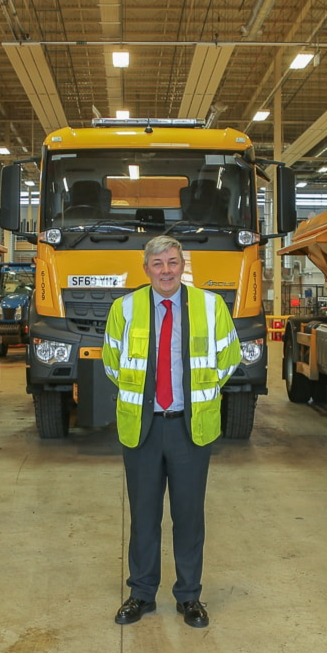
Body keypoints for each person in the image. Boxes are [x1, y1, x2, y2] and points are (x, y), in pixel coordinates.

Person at [101, 235, 242, 629]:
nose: (166, 270)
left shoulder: (210, 306)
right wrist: (143, 400)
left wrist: (200, 393)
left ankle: (189, 597)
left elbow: (229, 356)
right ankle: (142, 593)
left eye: (173, 262)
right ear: (146, 268)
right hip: (143, 428)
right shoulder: (124, 308)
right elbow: (112, 361)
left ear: (184, 266)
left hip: (189, 427)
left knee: (188, 516)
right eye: (158, 263)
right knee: (143, 516)